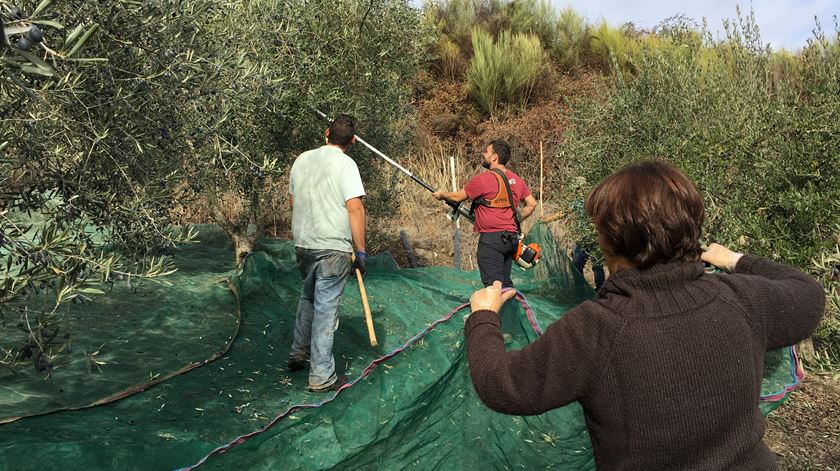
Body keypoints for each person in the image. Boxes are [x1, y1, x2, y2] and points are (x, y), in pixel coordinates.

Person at [464, 160, 825, 469]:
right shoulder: (741, 298)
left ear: (609, 242)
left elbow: (504, 386)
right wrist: (734, 260)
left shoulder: (596, 328)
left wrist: (483, 317)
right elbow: (809, 294)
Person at [287, 114, 367, 392]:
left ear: (326, 133)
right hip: (333, 247)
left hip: (304, 242)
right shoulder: (347, 165)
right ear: (352, 141)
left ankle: (298, 351)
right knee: (326, 309)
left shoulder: (302, 160)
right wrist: (361, 250)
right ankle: (321, 376)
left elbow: (294, 200)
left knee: (308, 296)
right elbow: (355, 208)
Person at [432, 140, 537, 287]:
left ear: (494, 157)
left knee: (493, 287)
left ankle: (494, 308)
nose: (484, 154)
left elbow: (456, 197)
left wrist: (442, 194)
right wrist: (515, 220)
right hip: (511, 239)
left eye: (487, 152)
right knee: (505, 284)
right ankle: (508, 306)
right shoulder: (517, 180)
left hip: (492, 240)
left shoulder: (484, 179)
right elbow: (532, 204)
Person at [541, 201, 605, 290]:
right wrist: (547, 219)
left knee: (597, 267)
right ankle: (580, 288)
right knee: (576, 264)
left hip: (596, 238)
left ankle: (600, 290)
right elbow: (565, 212)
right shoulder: (580, 201)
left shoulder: (600, 201)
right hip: (583, 240)